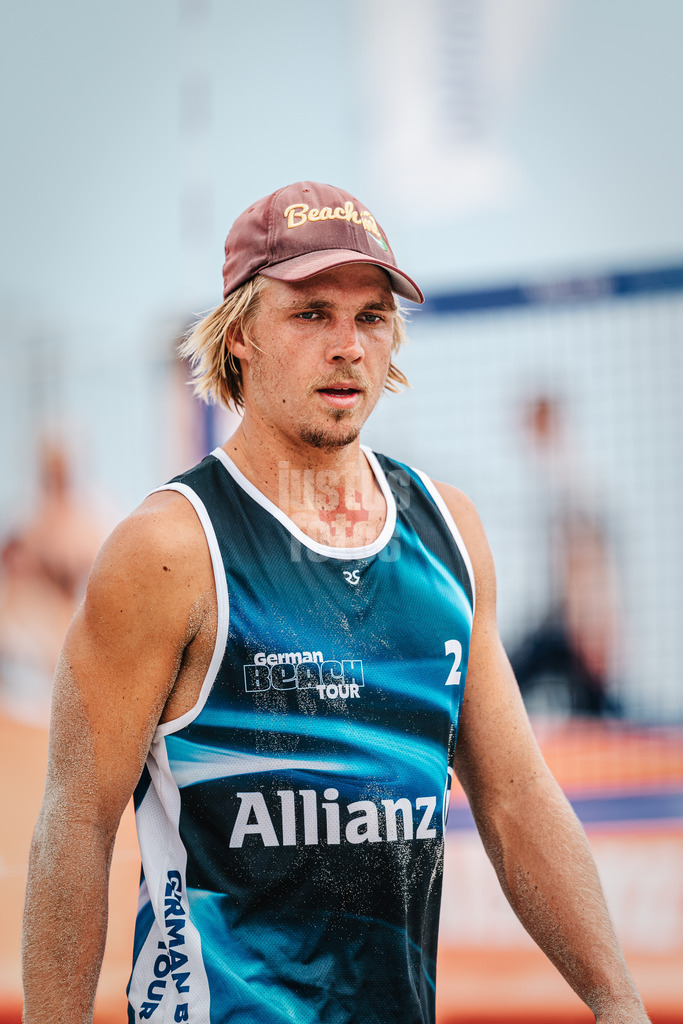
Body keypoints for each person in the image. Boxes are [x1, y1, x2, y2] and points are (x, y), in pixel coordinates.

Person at [22, 182, 649, 1024]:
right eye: (312, 314)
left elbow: (513, 797)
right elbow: (76, 825)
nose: (348, 346)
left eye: (371, 316)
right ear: (239, 334)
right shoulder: (170, 551)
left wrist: (616, 1003)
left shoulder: (447, 533)